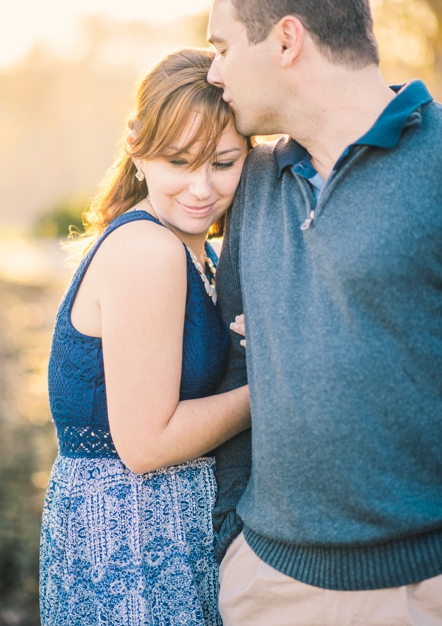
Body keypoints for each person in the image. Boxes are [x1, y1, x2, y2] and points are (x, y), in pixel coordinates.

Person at [202, 0, 442, 624]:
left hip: (425, 589)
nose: (214, 70)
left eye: (222, 46)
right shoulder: (253, 179)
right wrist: (231, 542)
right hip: (269, 586)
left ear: (286, 39)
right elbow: (234, 363)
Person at [39, 49, 252, 625]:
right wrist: (273, 382)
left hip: (165, 530)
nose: (201, 187)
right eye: (180, 160)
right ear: (138, 148)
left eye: (224, 162)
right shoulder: (147, 250)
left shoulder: (196, 249)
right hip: (128, 541)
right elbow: (147, 445)